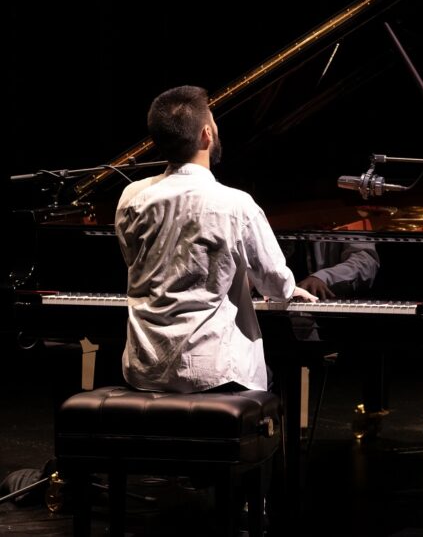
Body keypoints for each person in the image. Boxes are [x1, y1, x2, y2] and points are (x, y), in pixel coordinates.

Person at [114, 85, 317, 393]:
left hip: (144, 372)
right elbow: (274, 283)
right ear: (206, 134)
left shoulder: (131, 197)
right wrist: (290, 288)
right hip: (216, 375)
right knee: (276, 379)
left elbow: (133, 259)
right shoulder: (236, 204)